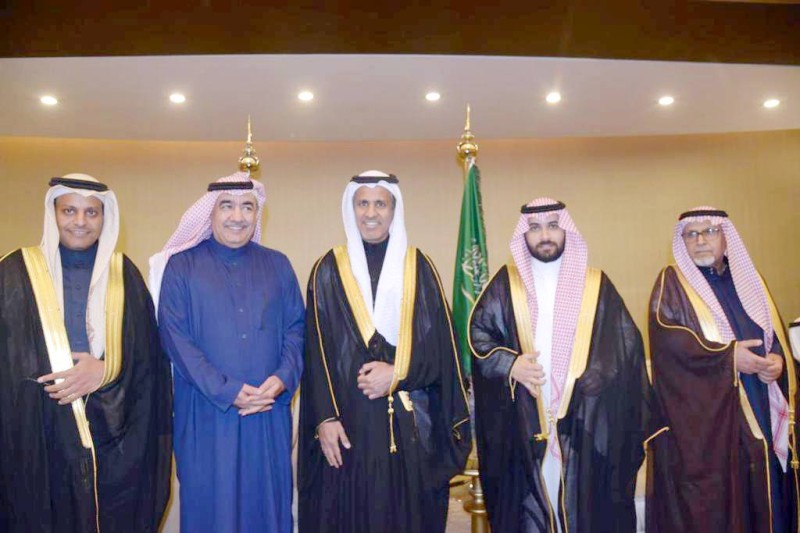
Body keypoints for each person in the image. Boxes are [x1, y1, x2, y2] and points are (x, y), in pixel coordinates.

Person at [298, 170, 471, 533]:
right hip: (346, 426)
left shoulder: (419, 268)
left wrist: (399, 372)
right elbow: (315, 352)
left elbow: (443, 349)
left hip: (408, 428)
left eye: (380, 203)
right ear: (352, 209)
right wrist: (325, 418)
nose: (371, 212)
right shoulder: (327, 270)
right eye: (363, 203)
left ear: (394, 210)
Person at [0, 174, 172, 532]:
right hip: (36, 424)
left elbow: (150, 358)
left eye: (91, 212)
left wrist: (105, 370)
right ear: (53, 213)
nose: (80, 222)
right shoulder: (14, 270)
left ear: (104, 217)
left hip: (111, 424)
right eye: (69, 211)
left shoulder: (124, 274)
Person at [469, 197, 647, 532]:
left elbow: (626, 345)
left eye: (552, 225)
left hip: (584, 423)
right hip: (525, 421)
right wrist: (510, 365)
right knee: (531, 507)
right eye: (535, 228)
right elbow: (479, 336)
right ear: (524, 235)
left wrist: (594, 379)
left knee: (585, 506)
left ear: (566, 230)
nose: (544, 235)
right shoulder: (506, 285)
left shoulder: (596, 285)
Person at [150, 172, 304, 533]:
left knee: (267, 507)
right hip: (206, 414)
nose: (238, 216)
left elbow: (296, 329)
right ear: (210, 212)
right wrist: (227, 390)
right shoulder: (182, 267)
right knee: (211, 509)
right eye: (227, 206)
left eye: (247, 207)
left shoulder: (278, 265)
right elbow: (175, 339)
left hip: (266, 413)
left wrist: (282, 379)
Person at [646, 206, 799, 533]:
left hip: (760, 402)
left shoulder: (751, 280)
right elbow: (670, 345)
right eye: (691, 234)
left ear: (726, 236)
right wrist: (727, 358)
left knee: (768, 486)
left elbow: (771, 333)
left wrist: (777, 360)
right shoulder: (672, 284)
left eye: (710, 231)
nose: (701, 240)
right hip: (713, 424)